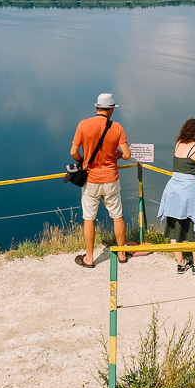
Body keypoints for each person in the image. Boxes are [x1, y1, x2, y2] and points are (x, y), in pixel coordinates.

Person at [70, 92, 131, 268]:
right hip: (111, 179)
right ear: (111, 110)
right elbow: (126, 154)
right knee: (117, 215)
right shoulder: (117, 127)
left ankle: (89, 258)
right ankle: (121, 254)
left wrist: (83, 161)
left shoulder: (83, 125)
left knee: (89, 218)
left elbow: (73, 152)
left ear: (97, 107)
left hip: (91, 180)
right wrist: (117, 155)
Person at [157, 118, 195, 275]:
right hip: (188, 193)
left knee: (173, 229)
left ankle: (181, 263)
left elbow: (183, 168)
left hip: (172, 190)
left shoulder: (178, 143)